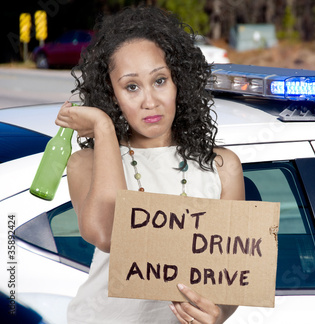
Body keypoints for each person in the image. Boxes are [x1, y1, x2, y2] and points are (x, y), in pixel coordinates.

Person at [56, 6, 244, 324]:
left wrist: (218, 313)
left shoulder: (222, 166)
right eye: (131, 86)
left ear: (178, 83)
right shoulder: (86, 163)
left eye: (160, 80)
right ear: (111, 95)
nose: (149, 101)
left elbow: (231, 274)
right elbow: (107, 232)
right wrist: (103, 128)